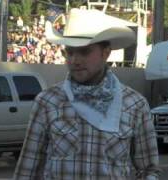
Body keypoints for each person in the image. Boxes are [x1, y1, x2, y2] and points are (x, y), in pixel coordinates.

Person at [14, 8, 160, 180]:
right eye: (69, 52)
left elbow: (149, 169)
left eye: (84, 52)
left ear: (106, 53)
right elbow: (27, 169)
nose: (75, 60)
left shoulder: (135, 105)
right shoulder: (48, 101)